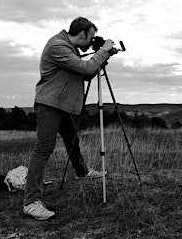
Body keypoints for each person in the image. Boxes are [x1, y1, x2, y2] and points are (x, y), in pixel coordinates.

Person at [23, 17, 116, 221]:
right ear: (82, 34)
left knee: (73, 140)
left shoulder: (69, 48)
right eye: (90, 38)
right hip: (50, 104)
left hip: (62, 104)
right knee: (44, 149)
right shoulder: (58, 46)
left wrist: (103, 56)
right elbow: (85, 69)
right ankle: (31, 202)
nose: (91, 43)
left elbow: (85, 74)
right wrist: (102, 52)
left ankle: (82, 171)